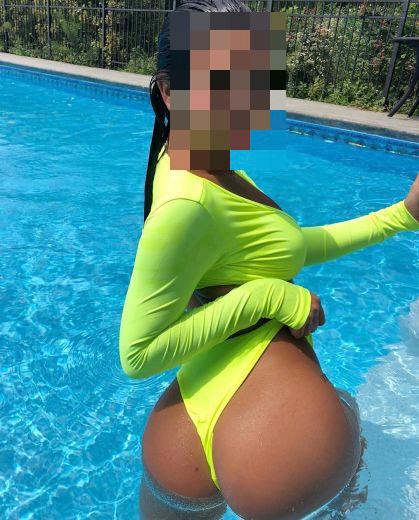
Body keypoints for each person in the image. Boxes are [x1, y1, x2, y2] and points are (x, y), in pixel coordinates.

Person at [118, 2, 419, 518]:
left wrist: (402, 216)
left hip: (184, 435)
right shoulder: (188, 203)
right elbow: (137, 355)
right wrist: (268, 296)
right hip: (274, 441)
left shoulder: (195, 161)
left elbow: (289, 246)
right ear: (169, 92)